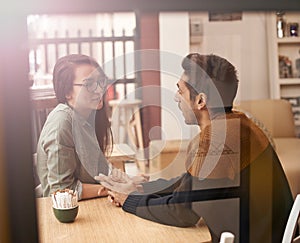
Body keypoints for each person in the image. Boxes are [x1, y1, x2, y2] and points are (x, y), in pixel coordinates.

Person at [97, 53, 293, 243]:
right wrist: (140, 188)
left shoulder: (219, 140)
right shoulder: (239, 123)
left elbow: (182, 212)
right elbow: (188, 185)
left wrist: (128, 200)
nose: (176, 98)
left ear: (200, 101)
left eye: (180, 91)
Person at [37, 54, 113, 200]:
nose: (99, 90)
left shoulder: (86, 120)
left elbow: (99, 173)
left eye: (101, 82)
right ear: (67, 92)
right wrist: (109, 189)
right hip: (64, 214)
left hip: (90, 206)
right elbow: (61, 190)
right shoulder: (62, 122)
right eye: (89, 84)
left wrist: (128, 182)